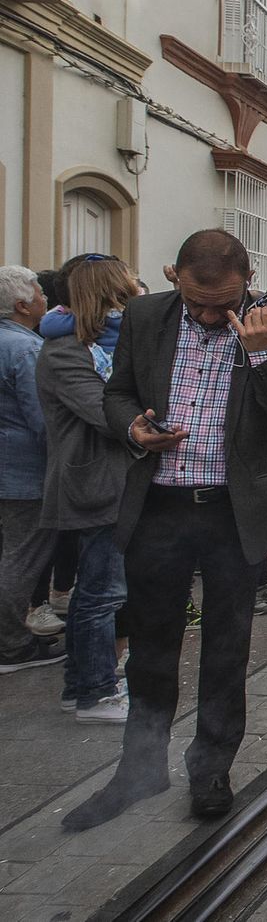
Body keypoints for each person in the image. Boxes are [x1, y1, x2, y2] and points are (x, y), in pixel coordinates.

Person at [61, 229, 267, 832]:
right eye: (196, 301)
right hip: (159, 508)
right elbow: (117, 395)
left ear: (248, 280)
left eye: (222, 304)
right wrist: (133, 429)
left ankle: (211, 769)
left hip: (231, 512)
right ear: (173, 275)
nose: (206, 315)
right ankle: (140, 768)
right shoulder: (146, 316)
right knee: (151, 646)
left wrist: (261, 354)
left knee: (227, 648)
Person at [35, 256, 141, 721]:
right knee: (102, 593)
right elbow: (107, 413)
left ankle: (80, 684)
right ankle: (95, 693)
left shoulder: (99, 345)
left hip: (108, 479)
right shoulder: (67, 352)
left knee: (93, 591)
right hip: (93, 482)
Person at [0, 265, 66, 673]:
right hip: (23, 472)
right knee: (21, 559)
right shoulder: (25, 349)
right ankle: (11, 645)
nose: (46, 299)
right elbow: (44, 420)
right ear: (23, 305)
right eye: (40, 294)